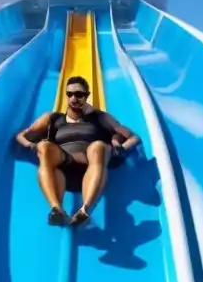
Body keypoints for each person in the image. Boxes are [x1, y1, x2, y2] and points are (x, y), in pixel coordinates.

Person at [15, 75, 141, 227]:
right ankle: (57, 209)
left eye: (79, 94)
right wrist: (31, 146)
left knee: (98, 146)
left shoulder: (99, 117)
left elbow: (133, 137)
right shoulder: (53, 118)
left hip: (91, 162)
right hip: (62, 164)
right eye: (70, 94)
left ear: (86, 96)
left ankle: (85, 211)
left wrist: (120, 148)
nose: (74, 98)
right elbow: (22, 135)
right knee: (44, 145)